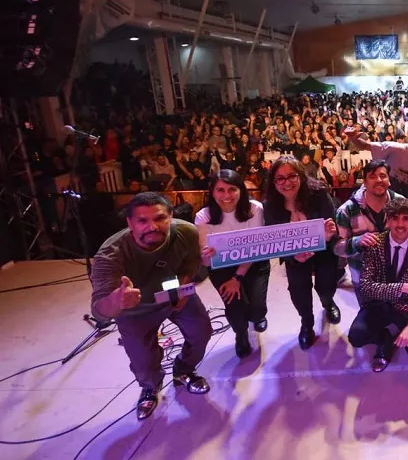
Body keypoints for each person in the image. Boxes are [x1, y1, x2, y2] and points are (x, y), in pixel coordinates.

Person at [90, 192, 212, 421]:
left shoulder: (186, 232)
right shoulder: (110, 255)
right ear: (130, 223)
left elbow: (190, 261)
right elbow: (98, 310)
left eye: (159, 218)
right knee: (143, 362)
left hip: (174, 295)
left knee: (202, 331)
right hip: (134, 309)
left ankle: (184, 371)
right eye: (142, 221)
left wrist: (184, 287)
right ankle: (150, 385)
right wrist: (115, 302)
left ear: (171, 217)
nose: (152, 226)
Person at [349, 198, 408, 372]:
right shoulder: (375, 245)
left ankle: (397, 330)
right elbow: (366, 287)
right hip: (378, 306)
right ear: (387, 220)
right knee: (356, 337)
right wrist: (403, 288)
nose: (400, 224)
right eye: (395, 218)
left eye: (406, 218)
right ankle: (385, 338)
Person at [263, 156, 339, 350]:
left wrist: (329, 234)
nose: (286, 183)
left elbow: (332, 223)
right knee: (298, 290)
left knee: (326, 284)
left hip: (323, 248)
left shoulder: (319, 193)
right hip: (294, 254)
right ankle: (307, 323)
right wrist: (293, 255)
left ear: (301, 176)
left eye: (291, 176)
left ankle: (328, 303)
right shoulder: (271, 204)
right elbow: (276, 240)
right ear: (273, 182)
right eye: (280, 178)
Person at [194, 170, 269, 359]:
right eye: (220, 190)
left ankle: (256, 316)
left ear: (241, 190)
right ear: (212, 192)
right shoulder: (203, 216)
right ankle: (241, 334)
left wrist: (238, 277)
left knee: (257, 309)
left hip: (253, 262)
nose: (226, 196)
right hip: (222, 267)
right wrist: (206, 256)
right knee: (236, 306)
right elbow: (205, 260)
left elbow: (256, 247)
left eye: (232, 189)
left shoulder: (255, 208)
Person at [334, 160, 408, 288]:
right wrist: (357, 242)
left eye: (383, 176)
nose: (379, 180)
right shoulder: (347, 210)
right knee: (369, 308)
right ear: (364, 182)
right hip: (364, 279)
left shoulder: (401, 202)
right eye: (372, 176)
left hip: (399, 278)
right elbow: (338, 248)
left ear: (389, 180)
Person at [344, 124, 408, 198]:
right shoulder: (397, 149)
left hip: (395, 207)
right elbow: (365, 146)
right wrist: (353, 138)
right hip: (370, 196)